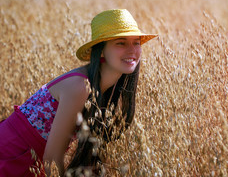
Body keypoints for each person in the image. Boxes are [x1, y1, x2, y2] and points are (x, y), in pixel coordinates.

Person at [0, 9, 157, 176]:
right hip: (11, 155)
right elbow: (51, 159)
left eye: (136, 42)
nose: (132, 50)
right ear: (101, 50)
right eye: (121, 43)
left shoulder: (108, 85)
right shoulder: (80, 86)